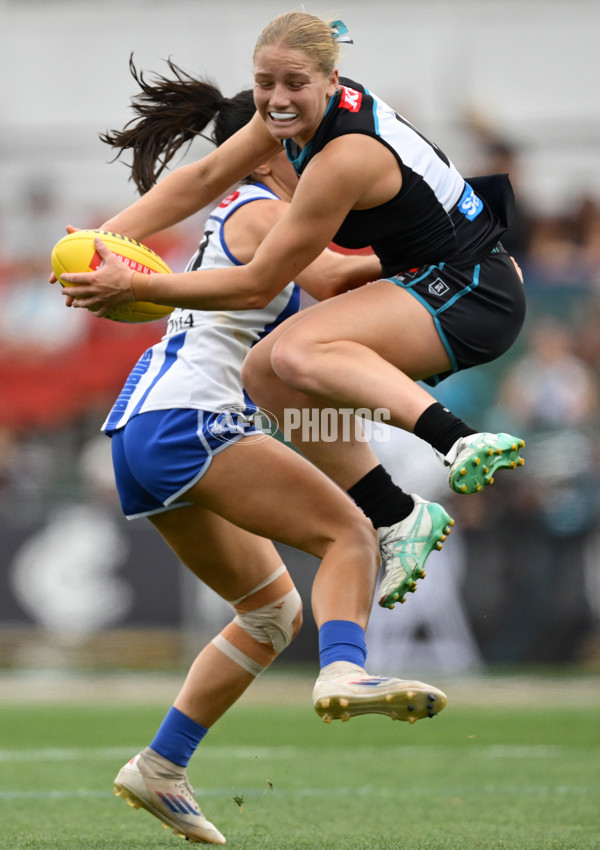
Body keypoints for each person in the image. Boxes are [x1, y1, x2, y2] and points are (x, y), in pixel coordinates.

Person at [63, 63, 447, 845]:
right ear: (270, 147)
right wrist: (436, 246)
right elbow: (336, 274)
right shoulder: (265, 208)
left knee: (270, 611)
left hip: (142, 430)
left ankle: (162, 767)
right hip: (189, 421)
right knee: (349, 534)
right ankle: (345, 669)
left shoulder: (241, 208)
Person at [59, 12, 526, 615]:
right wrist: (101, 239)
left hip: (472, 290)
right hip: (433, 279)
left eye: (293, 84)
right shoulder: (290, 123)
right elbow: (202, 175)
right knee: (265, 372)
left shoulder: (345, 155)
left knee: (297, 352)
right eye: (264, 82)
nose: (276, 100)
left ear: (333, 78)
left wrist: (137, 285)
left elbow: (257, 286)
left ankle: (457, 439)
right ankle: (396, 514)